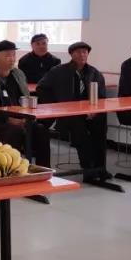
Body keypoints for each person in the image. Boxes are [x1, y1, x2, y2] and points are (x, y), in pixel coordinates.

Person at [37, 41, 110, 182]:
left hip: (90, 112)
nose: (82, 55)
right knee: (81, 132)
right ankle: (88, 170)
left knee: (100, 127)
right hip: (68, 114)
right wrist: (56, 105)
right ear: (71, 55)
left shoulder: (94, 73)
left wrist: (95, 111)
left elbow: (102, 97)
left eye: (85, 52)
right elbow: (41, 88)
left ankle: (100, 168)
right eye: (78, 52)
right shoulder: (58, 71)